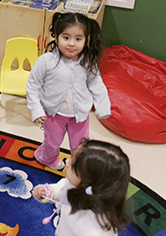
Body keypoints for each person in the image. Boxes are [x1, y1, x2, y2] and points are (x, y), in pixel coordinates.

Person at [26, 12, 111, 170]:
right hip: (54, 114)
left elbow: (96, 82)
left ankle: (78, 165)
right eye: (66, 38)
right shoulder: (47, 61)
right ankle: (47, 159)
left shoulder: (88, 61)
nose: (72, 44)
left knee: (80, 145)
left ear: (86, 40)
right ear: (56, 36)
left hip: (79, 115)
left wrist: (103, 106)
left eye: (78, 39)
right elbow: (33, 85)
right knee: (52, 142)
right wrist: (36, 110)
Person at [32, 139, 131, 236]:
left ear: (88, 181)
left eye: (73, 164)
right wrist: (47, 191)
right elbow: (61, 189)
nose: (67, 161)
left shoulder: (95, 228)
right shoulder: (74, 185)